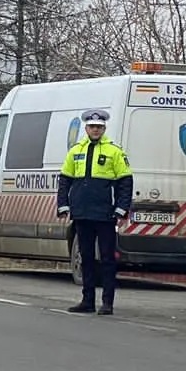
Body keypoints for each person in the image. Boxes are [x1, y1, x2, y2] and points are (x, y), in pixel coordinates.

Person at [56, 108, 132, 316]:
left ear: (104, 128)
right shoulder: (76, 150)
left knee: (107, 258)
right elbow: (64, 180)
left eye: (99, 127)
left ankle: (107, 302)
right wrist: (63, 205)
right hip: (82, 212)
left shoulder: (114, 152)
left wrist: (121, 208)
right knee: (86, 257)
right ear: (86, 128)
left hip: (105, 213)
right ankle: (87, 300)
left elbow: (125, 182)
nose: (95, 130)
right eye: (92, 127)